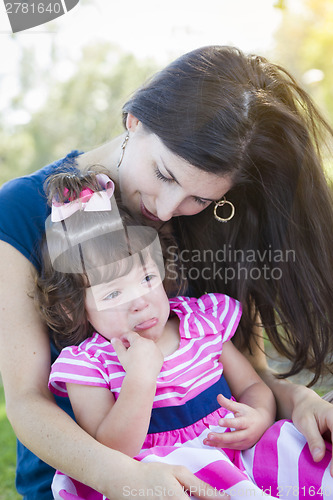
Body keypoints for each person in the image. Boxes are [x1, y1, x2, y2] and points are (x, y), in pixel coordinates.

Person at [0, 45, 332, 499]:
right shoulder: (18, 210)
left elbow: (241, 370)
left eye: (200, 198)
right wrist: (126, 479)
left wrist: (296, 400)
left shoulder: (214, 218)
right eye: (165, 174)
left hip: (225, 459)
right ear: (135, 120)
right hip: (99, 477)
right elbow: (26, 400)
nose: (167, 210)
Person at [39, 170, 332, 499]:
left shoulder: (199, 323)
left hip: (241, 456)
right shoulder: (90, 364)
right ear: (74, 308)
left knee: (312, 466)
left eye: (147, 278)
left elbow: (251, 386)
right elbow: (110, 449)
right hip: (163, 480)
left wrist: (260, 416)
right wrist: (140, 378)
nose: (139, 302)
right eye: (112, 294)